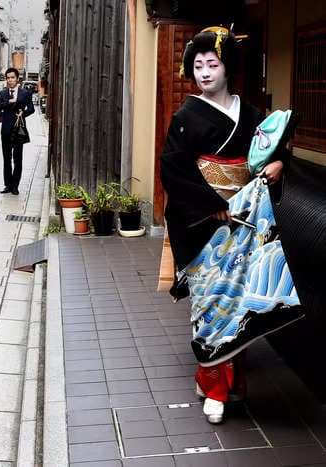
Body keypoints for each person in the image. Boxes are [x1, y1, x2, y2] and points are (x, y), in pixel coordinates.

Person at [160, 27, 296, 425]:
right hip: (204, 222)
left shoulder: (252, 115)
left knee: (241, 301)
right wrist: (210, 204)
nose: (204, 72)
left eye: (212, 64)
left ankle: (228, 381)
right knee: (212, 304)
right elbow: (173, 170)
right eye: (198, 65)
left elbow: (274, 152)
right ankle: (214, 385)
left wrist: (278, 166)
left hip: (247, 218)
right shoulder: (186, 117)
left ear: (227, 67)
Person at [0, 67, 34, 195]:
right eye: (8, 78)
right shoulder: (3, 93)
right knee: (6, 158)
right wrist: (9, 102)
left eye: (12, 78)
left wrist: (23, 114)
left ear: (17, 79)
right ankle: (8, 185)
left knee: (17, 158)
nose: (10, 80)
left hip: (18, 129)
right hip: (5, 130)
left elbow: (31, 108)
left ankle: (15, 185)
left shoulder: (24, 93)